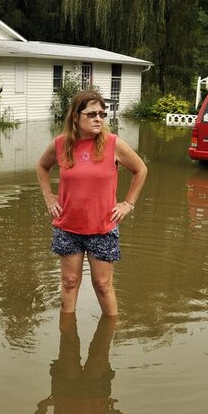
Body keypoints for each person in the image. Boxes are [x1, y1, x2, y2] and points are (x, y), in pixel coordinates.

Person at [36, 91, 147, 316]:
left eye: (102, 114)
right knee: (68, 281)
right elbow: (41, 167)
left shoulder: (113, 144)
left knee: (103, 285)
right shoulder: (60, 144)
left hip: (102, 227)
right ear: (76, 117)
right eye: (92, 114)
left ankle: (108, 336)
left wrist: (128, 203)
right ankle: (66, 337)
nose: (99, 118)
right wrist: (49, 197)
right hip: (68, 227)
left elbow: (141, 170)